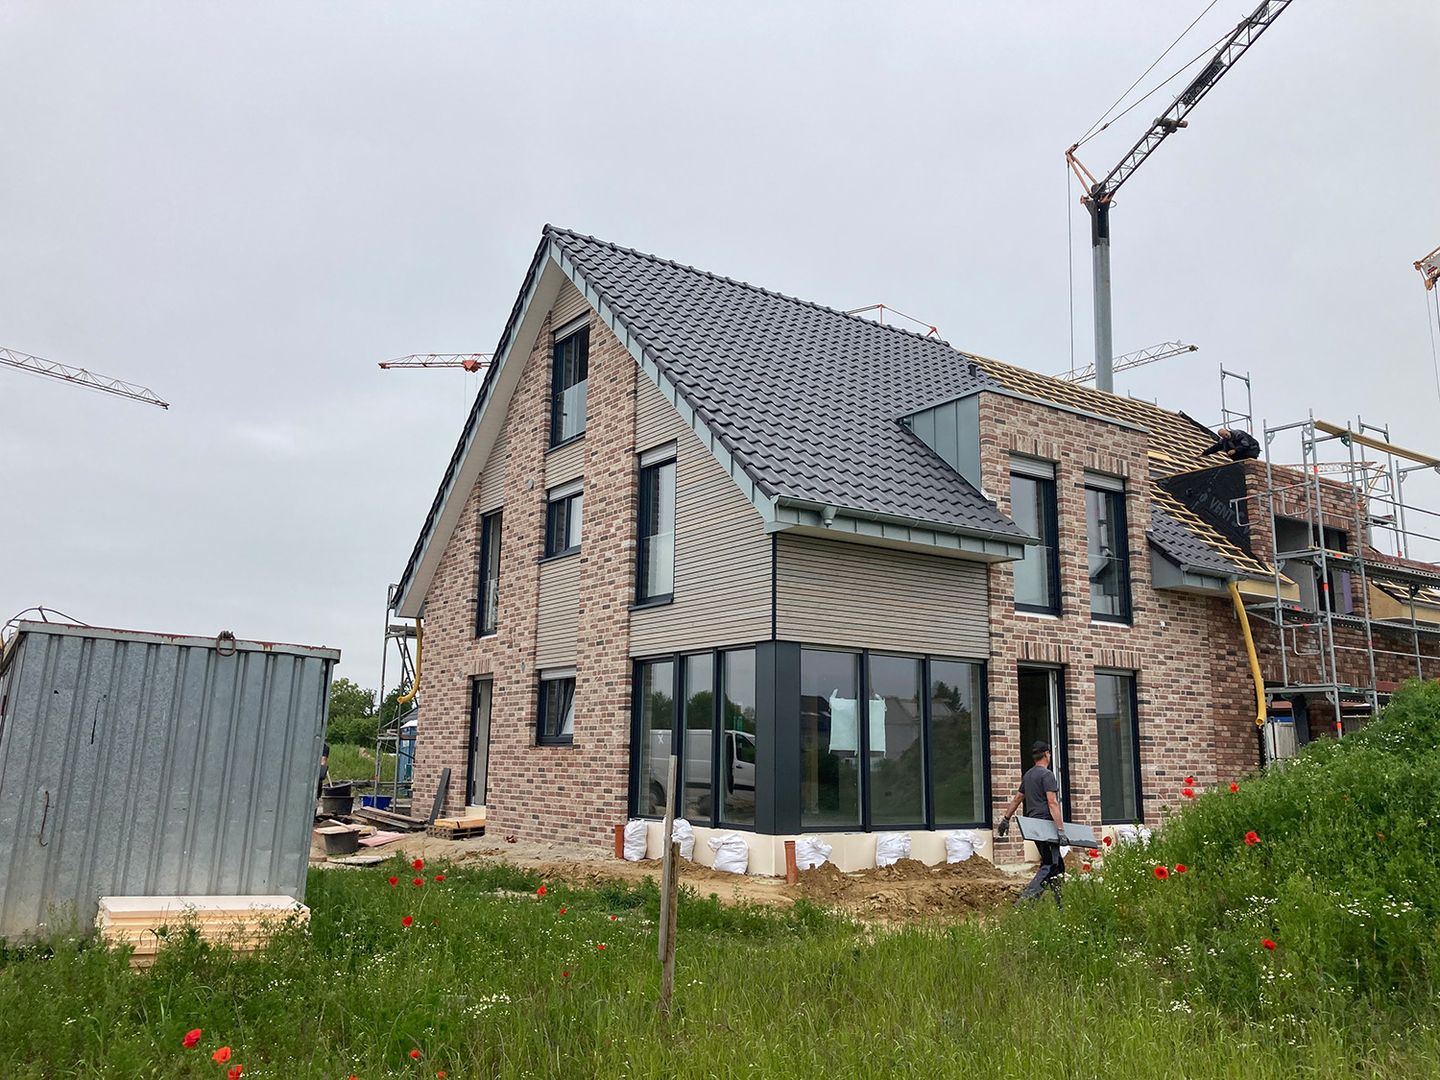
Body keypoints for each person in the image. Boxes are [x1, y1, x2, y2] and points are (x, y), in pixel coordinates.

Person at [996, 741, 1069, 905]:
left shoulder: (1028, 775)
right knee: (1050, 864)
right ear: (1047, 754)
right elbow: (1053, 803)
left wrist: (1006, 819)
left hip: (1034, 826)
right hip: (1046, 825)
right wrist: (1060, 830)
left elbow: (1018, 798)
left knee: (1057, 866)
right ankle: (1025, 902)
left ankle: (1061, 904)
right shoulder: (1047, 775)